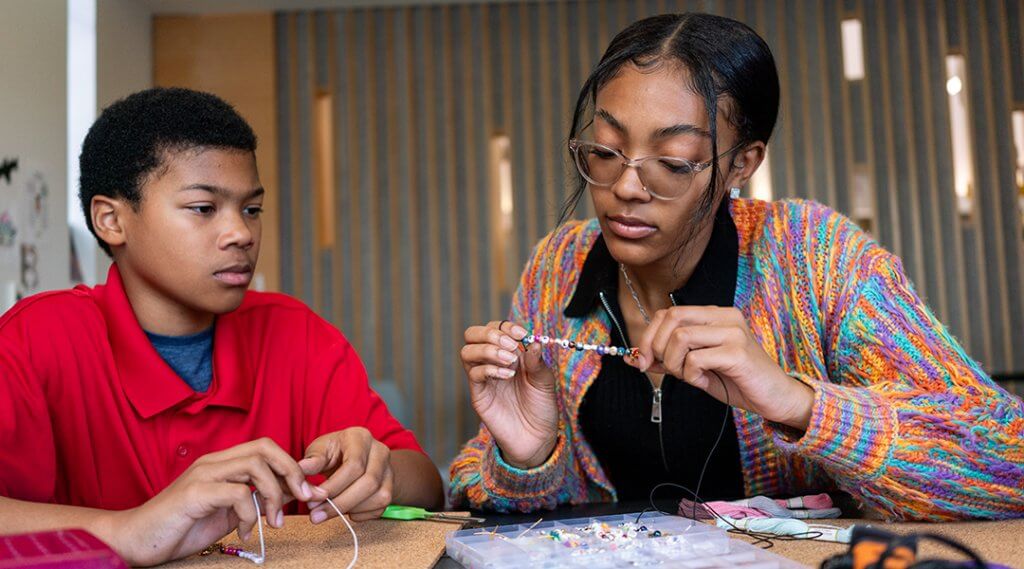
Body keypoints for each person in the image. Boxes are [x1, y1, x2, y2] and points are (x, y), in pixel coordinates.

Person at [450, 13, 1023, 520]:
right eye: (604, 152)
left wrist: (798, 403)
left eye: (672, 163)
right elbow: (490, 490)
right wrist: (527, 459)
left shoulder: (811, 255)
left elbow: (1009, 458)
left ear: (742, 163)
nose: (625, 186)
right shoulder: (557, 264)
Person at [0, 87, 443, 565]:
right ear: (111, 220)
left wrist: (376, 469)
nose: (241, 234)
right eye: (203, 209)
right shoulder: (35, 339)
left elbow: (426, 482)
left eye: (251, 209)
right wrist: (126, 530)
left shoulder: (296, 334)